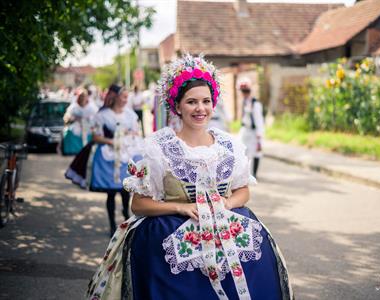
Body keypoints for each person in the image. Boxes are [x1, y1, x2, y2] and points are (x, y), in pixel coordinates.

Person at [86, 55, 292, 300]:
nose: (200, 109)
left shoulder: (229, 146)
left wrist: (227, 203)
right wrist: (180, 207)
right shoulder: (159, 148)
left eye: (206, 101)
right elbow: (138, 204)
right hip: (170, 233)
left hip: (227, 231)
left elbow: (243, 191)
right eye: (191, 102)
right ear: (178, 106)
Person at [65, 85, 139, 237]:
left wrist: (128, 136)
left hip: (126, 154)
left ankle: (127, 221)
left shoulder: (130, 115)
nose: (126, 100)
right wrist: (112, 141)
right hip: (108, 155)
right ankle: (112, 224)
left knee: (126, 193)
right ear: (115, 97)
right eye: (123, 97)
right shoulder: (103, 115)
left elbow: (135, 132)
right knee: (111, 193)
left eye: (127, 97)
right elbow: (96, 137)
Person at [238, 78, 264, 179]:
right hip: (245, 129)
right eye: (243, 91)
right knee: (242, 151)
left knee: (256, 152)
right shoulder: (244, 102)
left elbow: (259, 120)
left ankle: (254, 174)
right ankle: (244, 174)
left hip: (254, 131)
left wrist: (259, 136)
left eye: (246, 91)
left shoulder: (255, 104)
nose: (244, 93)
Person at [61, 89, 98, 155]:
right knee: (70, 131)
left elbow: (97, 117)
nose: (83, 98)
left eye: (84, 96)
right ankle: (73, 150)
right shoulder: (74, 106)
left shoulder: (92, 107)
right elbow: (66, 117)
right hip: (77, 125)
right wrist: (72, 118)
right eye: (81, 96)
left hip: (88, 125)